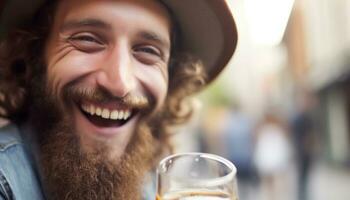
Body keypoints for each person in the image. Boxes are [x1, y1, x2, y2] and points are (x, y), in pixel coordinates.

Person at [0, 0, 237, 199]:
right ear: (33, 55)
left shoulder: (149, 181)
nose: (120, 84)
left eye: (148, 51)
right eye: (88, 39)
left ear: (171, 78)